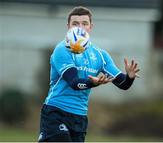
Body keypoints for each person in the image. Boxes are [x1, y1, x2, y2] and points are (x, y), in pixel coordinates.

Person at [38, 6, 140, 142]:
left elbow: (123, 84)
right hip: (56, 112)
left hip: (79, 117)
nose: (80, 27)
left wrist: (130, 77)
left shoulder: (100, 55)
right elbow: (74, 83)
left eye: (84, 23)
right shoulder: (61, 50)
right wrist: (92, 83)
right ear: (68, 26)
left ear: (91, 27)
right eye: (75, 24)